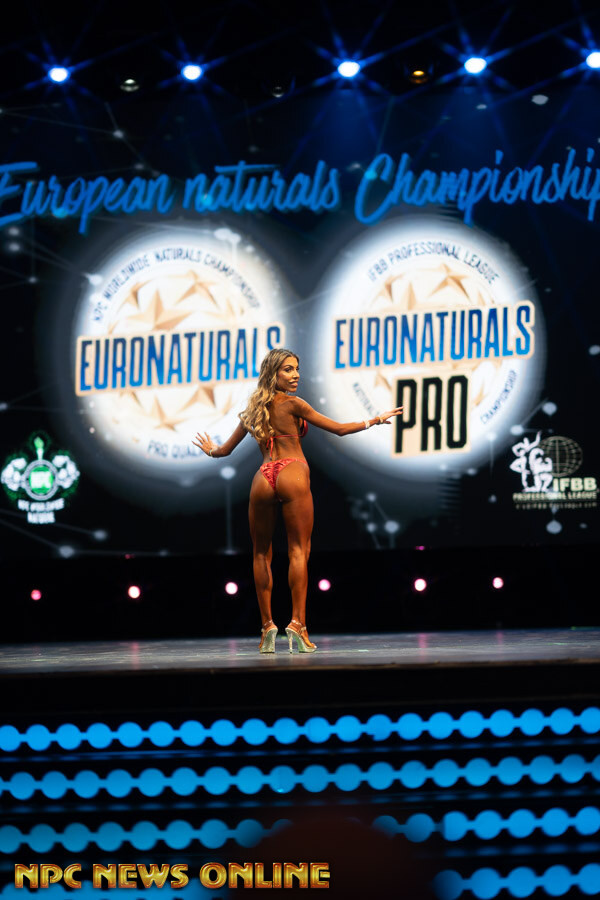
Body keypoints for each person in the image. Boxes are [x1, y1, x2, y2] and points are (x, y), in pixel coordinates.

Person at [193, 348, 402, 654]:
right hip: (292, 472)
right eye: (288, 370)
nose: (295, 375)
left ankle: (267, 626)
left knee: (260, 554)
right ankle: (298, 625)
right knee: (298, 551)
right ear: (273, 373)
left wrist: (210, 449)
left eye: (296, 369)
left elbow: (223, 451)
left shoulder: (253, 409)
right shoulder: (294, 404)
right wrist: (375, 420)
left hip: (263, 477)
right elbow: (339, 430)